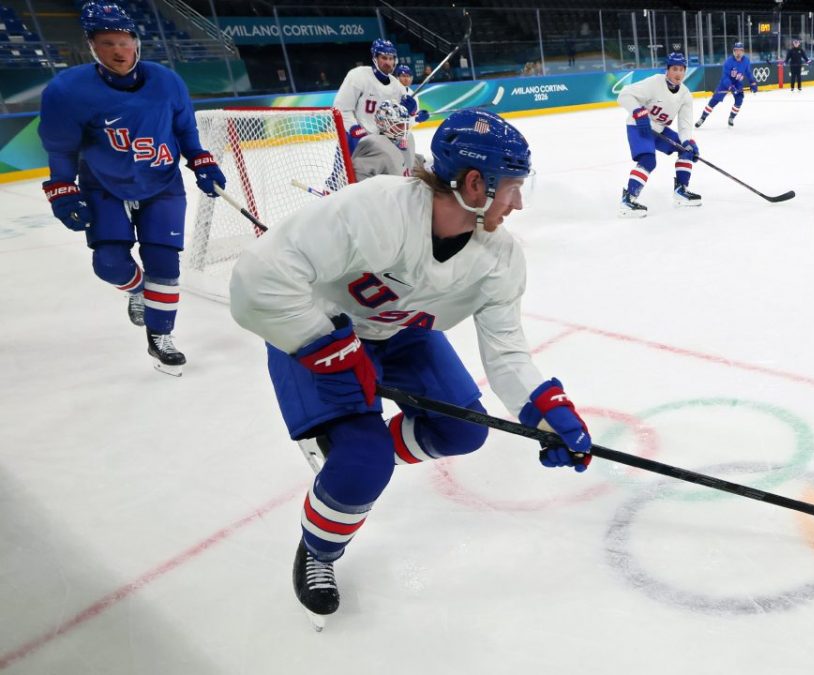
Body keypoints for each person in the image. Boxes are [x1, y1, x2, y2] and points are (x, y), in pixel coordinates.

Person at [228, 109, 593, 627]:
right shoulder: (375, 208)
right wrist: (324, 347)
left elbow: (507, 350)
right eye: (512, 187)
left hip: (396, 333)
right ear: (474, 183)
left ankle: (362, 456)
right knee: (362, 463)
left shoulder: (500, 256)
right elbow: (256, 280)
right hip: (312, 329)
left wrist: (544, 410)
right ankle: (320, 548)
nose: (519, 202)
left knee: (461, 432)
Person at [37, 3, 225, 376]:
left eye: (125, 41)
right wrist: (62, 187)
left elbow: (186, 130)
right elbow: (62, 149)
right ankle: (137, 290)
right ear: (92, 46)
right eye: (108, 43)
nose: (119, 50)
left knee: (165, 263)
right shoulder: (67, 91)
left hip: (163, 184)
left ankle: (161, 336)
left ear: (136, 43)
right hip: (105, 185)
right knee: (109, 264)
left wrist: (201, 159)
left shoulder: (167, 81)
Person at [617, 52, 699, 217]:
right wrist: (638, 112)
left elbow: (685, 124)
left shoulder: (685, 95)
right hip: (639, 126)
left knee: (686, 150)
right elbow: (624, 95)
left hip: (659, 130)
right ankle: (628, 201)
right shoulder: (654, 82)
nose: (679, 73)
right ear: (667, 70)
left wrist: (687, 141)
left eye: (682, 69)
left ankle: (681, 191)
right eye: (675, 69)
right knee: (648, 160)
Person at [328, 39, 404, 191]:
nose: (388, 62)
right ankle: (331, 188)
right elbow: (340, 108)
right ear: (375, 58)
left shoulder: (396, 86)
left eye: (391, 58)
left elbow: (403, 116)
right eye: (384, 58)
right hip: (354, 137)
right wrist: (354, 128)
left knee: (375, 179)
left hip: (379, 140)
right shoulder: (358, 76)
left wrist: (413, 110)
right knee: (344, 174)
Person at [351, 100, 424, 180]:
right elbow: (359, 176)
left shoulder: (407, 138)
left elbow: (408, 158)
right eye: (399, 125)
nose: (404, 129)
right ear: (383, 124)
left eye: (406, 124)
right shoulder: (374, 145)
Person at [695, 42, 757, 128]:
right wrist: (730, 87)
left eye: (740, 51)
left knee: (739, 100)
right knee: (714, 100)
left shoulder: (746, 61)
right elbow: (725, 78)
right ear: (733, 51)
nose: (738, 53)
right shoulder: (728, 61)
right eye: (736, 51)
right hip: (726, 83)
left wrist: (753, 83)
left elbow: (748, 73)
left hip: (737, 83)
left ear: (743, 52)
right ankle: (702, 118)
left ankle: (731, 117)